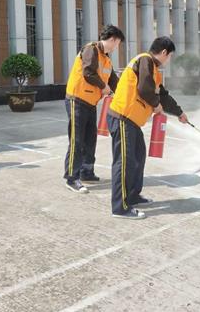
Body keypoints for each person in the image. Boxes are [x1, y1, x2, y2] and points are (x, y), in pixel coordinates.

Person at [108, 37, 188, 219]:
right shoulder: (144, 60)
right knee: (124, 163)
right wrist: (155, 104)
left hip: (132, 122)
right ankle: (119, 207)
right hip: (122, 118)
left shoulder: (153, 70)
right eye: (169, 56)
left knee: (138, 158)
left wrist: (179, 113)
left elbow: (163, 95)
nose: (168, 60)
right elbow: (145, 89)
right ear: (164, 53)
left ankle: (133, 196)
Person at [63, 25, 124, 193]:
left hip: (90, 102)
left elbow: (113, 81)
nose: (117, 47)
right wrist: (103, 87)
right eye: (117, 43)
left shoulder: (106, 59)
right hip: (77, 100)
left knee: (90, 139)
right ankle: (71, 178)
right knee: (77, 140)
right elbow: (88, 73)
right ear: (112, 39)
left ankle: (86, 171)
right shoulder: (91, 49)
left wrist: (124, 96)